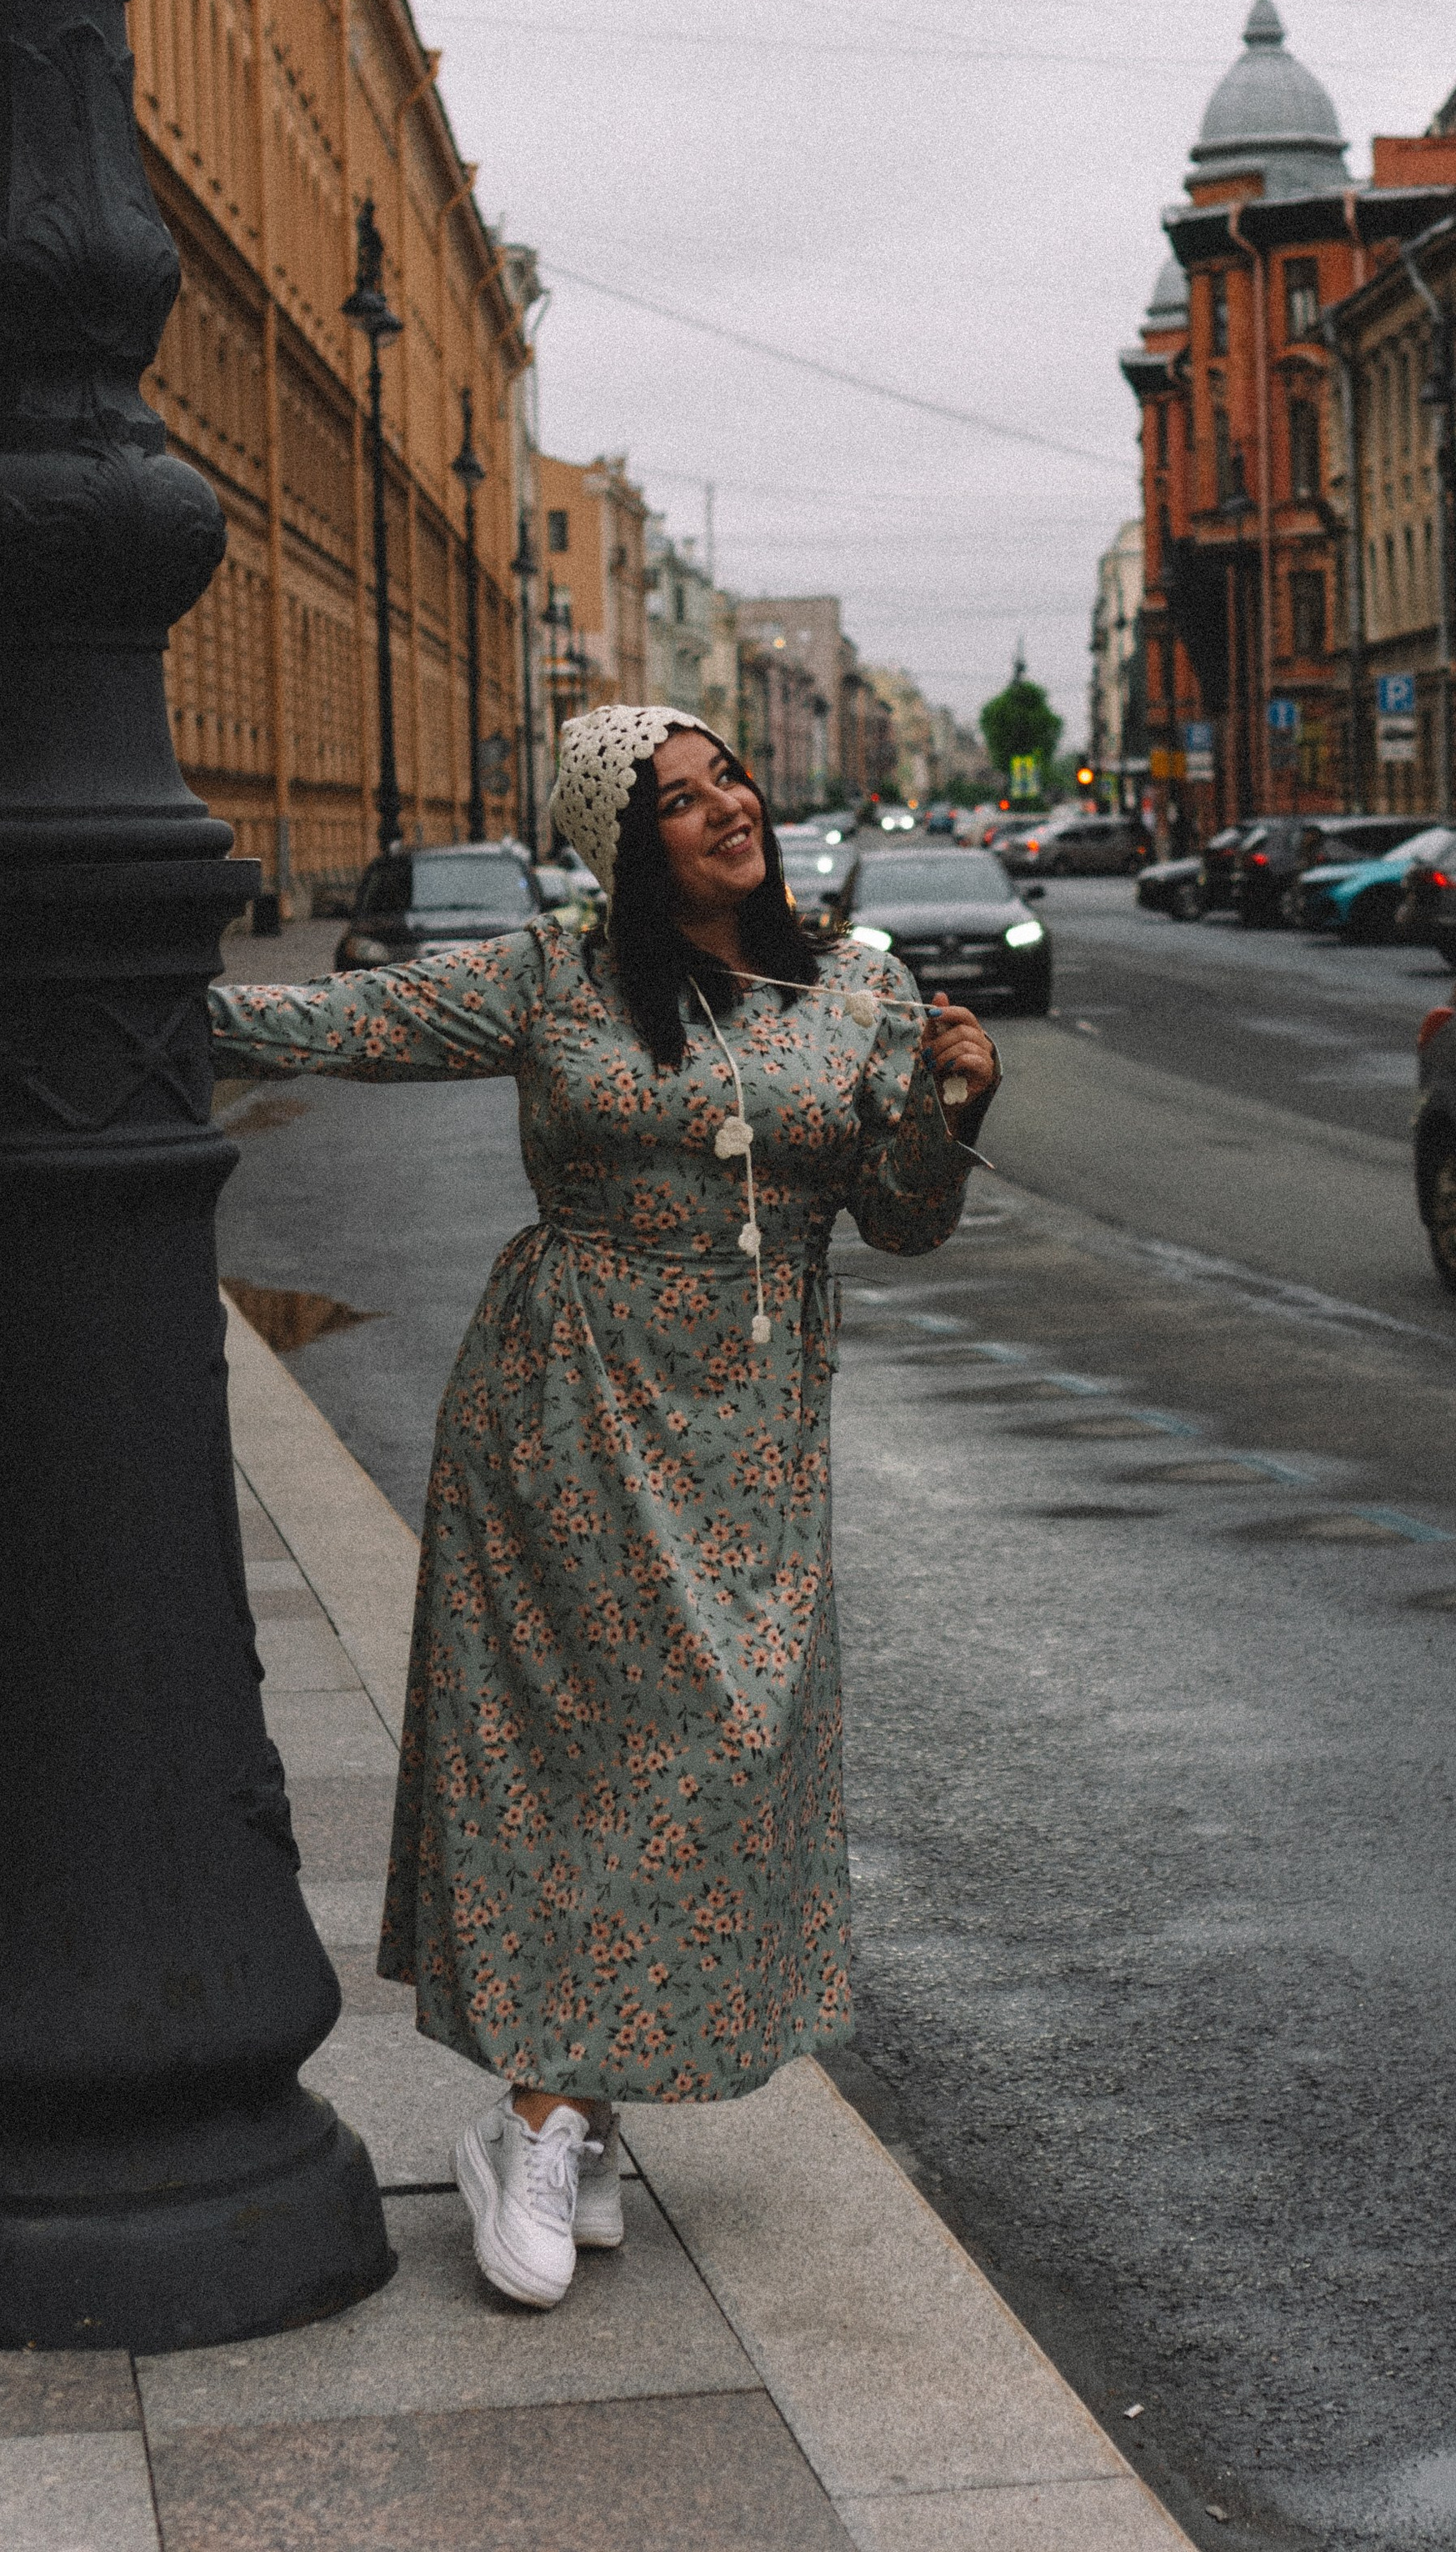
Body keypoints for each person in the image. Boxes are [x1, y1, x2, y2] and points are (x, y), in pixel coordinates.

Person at [208, 705, 1000, 2309]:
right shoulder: (554, 978)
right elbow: (335, 1024)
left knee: (712, 1744)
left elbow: (904, 1220)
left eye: (729, 781)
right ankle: (547, 2112)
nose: (724, 809)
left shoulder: (857, 987)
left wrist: (954, 1107)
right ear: (626, 852)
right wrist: (110, 987)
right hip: (563, 1406)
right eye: (678, 802)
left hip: (756, 1431)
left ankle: (575, 2104)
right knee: (576, 1758)